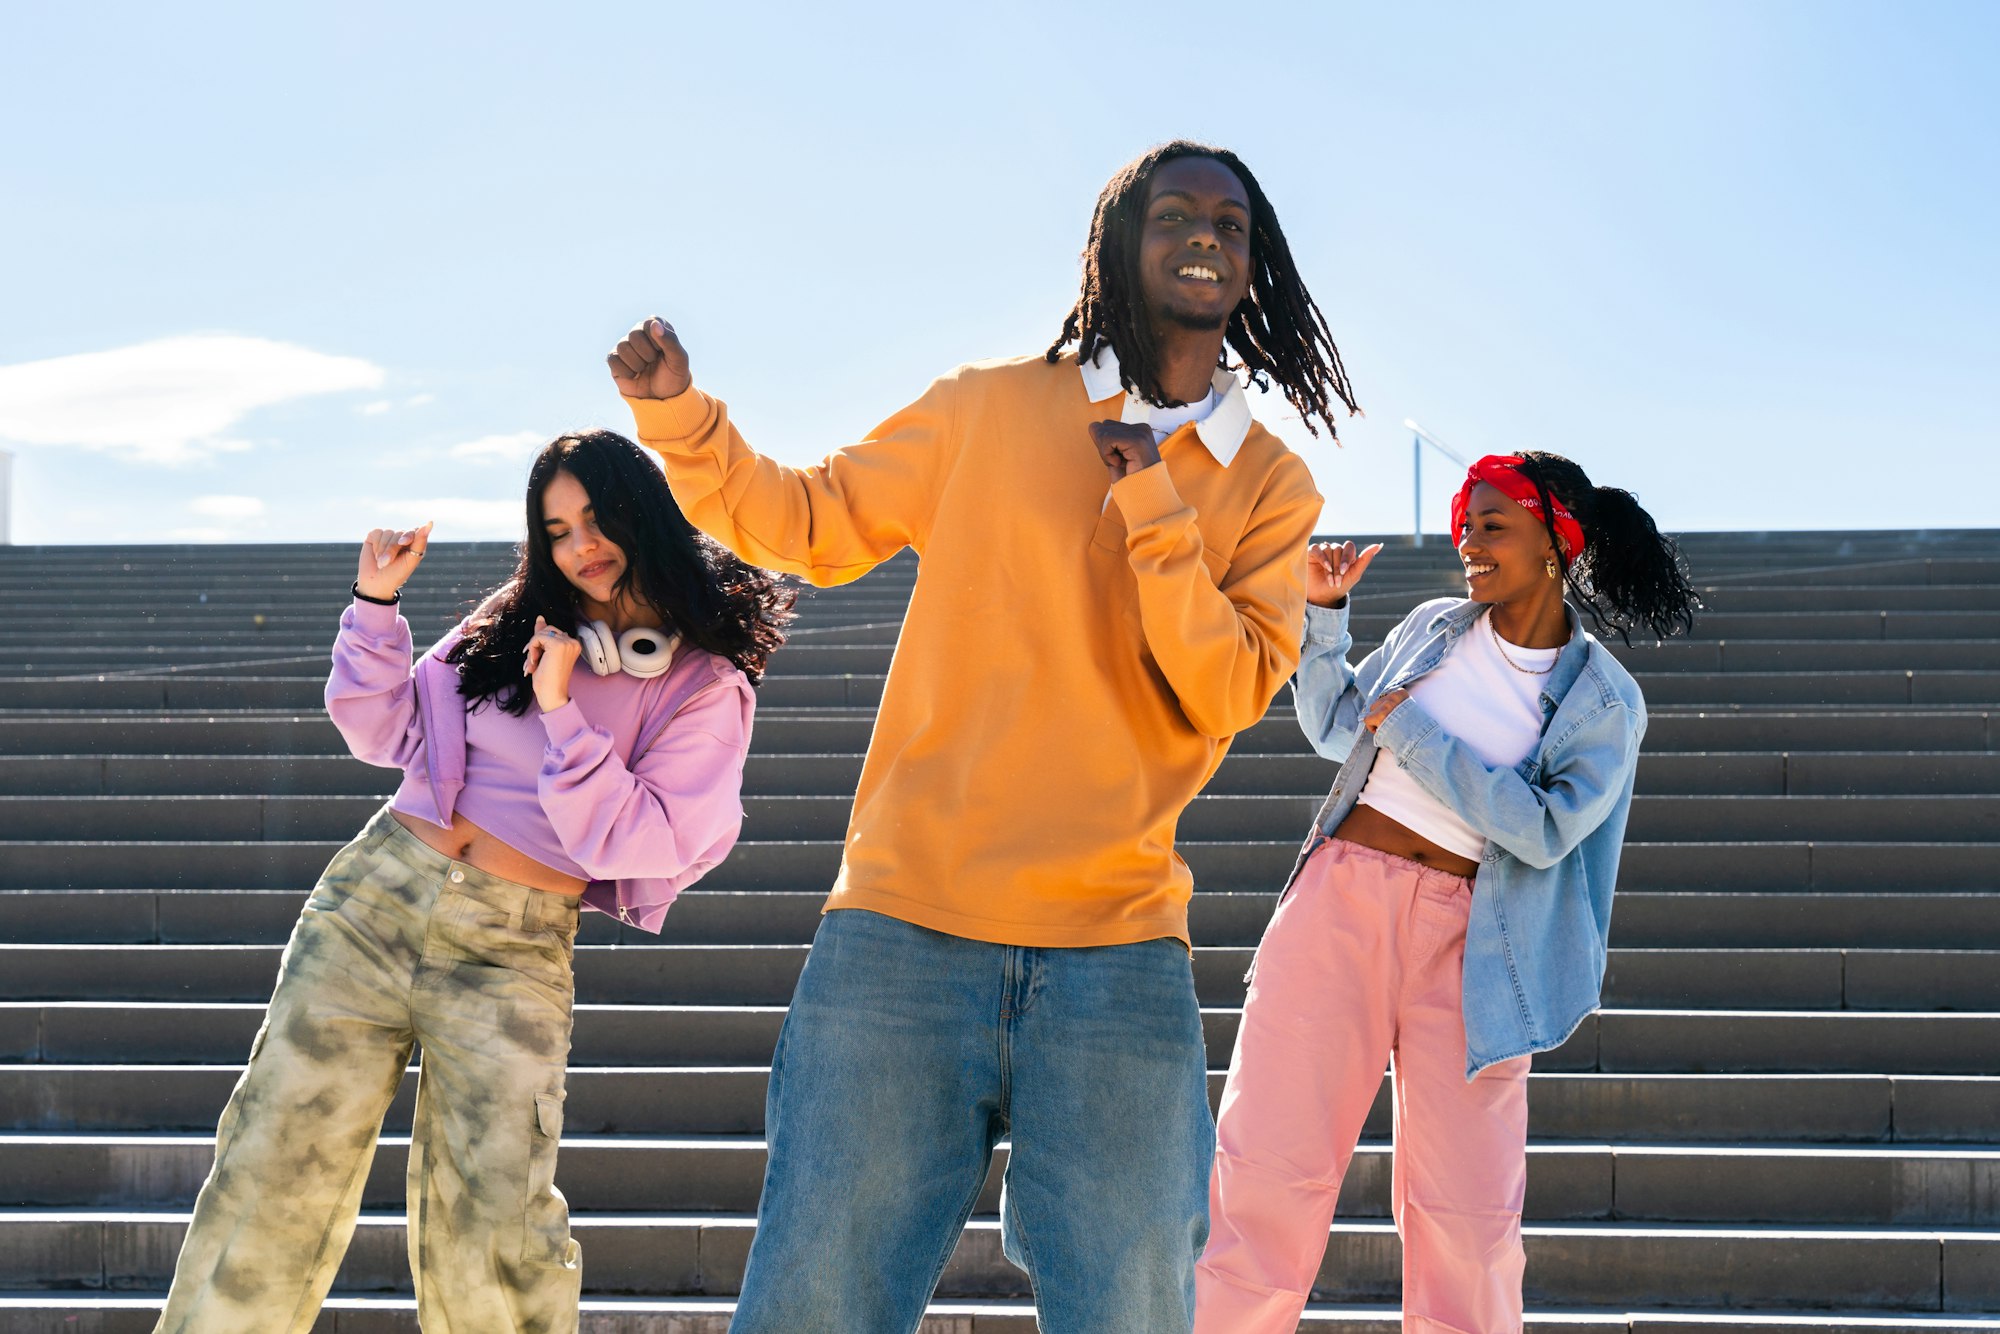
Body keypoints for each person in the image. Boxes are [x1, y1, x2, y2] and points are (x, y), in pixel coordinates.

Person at [604, 140, 1360, 1333]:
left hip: (1118, 952)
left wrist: (1151, 504)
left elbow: (1224, 689)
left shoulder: (1270, 483)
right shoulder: (985, 406)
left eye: (1229, 223)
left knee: (1133, 1316)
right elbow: (810, 521)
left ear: (1252, 263)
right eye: (1173, 215)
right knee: (813, 1305)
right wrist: (680, 421)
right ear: (1118, 242)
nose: (1204, 237)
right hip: (902, 928)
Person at [152, 430, 792, 1334]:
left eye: (597, 519)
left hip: (512, 946)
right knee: (267, 1175)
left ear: (645, 513)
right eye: (557, 530)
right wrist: (376, 605)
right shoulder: (516, 617)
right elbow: (385, 733)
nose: (581, 546)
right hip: (374, 902)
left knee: (493, 1229)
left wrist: (563, 710)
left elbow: (648, 837)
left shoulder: (702, 684)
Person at [1194, 452, 1700, 1333]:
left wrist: (1419, 737)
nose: (1469, 542)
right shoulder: (1435, 627)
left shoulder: (1604, 702)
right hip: (1340, 905)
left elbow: (1543, 827)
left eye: (1492, 526)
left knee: (1469, 1220)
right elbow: (1340, 726)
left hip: (1482, 949)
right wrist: (1325, 617)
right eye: (1465, 525)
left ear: (1556, 542)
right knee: (1266, 1177)